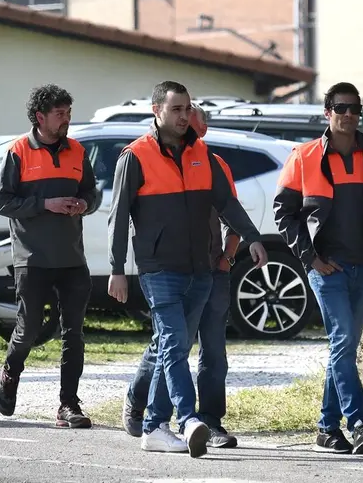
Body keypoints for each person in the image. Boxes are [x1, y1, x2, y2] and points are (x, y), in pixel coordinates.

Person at [106, 80, 265, 457]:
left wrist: (252, 236)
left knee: (171, 346)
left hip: (201, 269)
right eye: (176, 109)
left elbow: (226, 203)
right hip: (159, 268)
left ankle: (153, 426)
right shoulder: (136, 156)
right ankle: (190, 418)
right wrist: (116, 268)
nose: (184, 116)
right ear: (156, 110)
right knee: (175, 345)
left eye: (187, 108)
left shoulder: (203, 155)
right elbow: (118, 216)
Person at [273, 82, 363, 456]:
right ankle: (359, 423)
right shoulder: (304, 156)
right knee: (344, 343)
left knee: (340, 349)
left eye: (355, 109)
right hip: (326, 269)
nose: (349, 115)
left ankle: (326, 428)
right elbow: (284, 214)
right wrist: (310, 258)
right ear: (327, 113)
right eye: (342, 108)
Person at [0, 85, 100, 428]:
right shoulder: (18, 151)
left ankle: (68, 405)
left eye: (68, 113)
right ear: (40, 117)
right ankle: (10, 373)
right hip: (32, 258)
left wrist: (84, 204)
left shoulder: (78, 151)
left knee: (74, 334)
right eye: (60, 114)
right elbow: (3, 203)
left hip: (72, 259)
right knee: (29, 329)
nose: (67, 119)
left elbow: (91, 193)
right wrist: (45, 205)